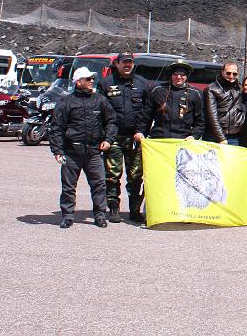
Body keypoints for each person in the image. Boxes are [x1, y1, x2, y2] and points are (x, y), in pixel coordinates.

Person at [50, 67, 117, 229]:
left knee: (99, 184)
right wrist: (57, 150)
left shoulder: (100, 100)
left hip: (94, 152)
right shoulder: (66, 102)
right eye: (88, 79)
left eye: (92, 78)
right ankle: (67, 216)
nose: (92, 81)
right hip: (72, 151)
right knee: (68, 186)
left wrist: (108, 139)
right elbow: (56, 127)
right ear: (78, 81)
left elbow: (112, 121)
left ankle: (100, 215)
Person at [97, 51, 148, 223]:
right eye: (124, 62)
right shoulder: (106, 83)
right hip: (114, 137)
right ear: (117, 64)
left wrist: (141, 130)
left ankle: (134, 210)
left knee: (135, 176)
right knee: (112, 174)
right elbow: (99, 112)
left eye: (130, 63)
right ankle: (113, 208)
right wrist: (104, 136)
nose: (127, 65)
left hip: (135, 138)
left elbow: (147, 112)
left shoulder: (142, 83)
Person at [134, 61, 205, 142]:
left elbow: (200, 120)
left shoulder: (196, 93)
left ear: (187, 76)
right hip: (159, 139)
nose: (178, 77)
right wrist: (140, 131)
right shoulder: (157, 90)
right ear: (171, 75)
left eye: (182, 75)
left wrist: (194, 136)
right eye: (175, 74)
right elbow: (146, 114)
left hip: (184, 140)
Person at [205, 62, 243, 145]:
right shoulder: (211, 89)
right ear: (222, 72)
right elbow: (212, 115)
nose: (231, 76)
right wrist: (221, 138)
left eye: (234, 74)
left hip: (234, 136)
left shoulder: (239, 88)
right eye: (228, 73)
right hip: (215, 136)